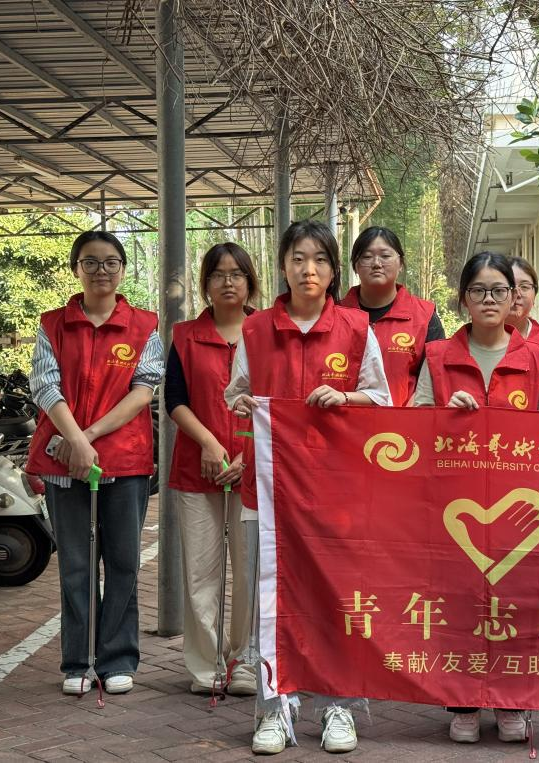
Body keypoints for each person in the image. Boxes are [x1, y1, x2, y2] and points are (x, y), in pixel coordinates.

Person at [224, 220, 391, 756]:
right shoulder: (255, 331)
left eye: (319, 259)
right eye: (298, 258)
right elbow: (235, 392)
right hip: (269, 492)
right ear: (283, 266)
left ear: (334, 270)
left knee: (336, 598)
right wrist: (243, 404)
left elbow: (382, 398)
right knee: (269, 602)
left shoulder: (356, 328)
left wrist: (345, 398)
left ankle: (339, 706)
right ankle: (274, 709)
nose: (308, 269)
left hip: (337, 491)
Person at [415, 251, 539, 745]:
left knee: (517, 602)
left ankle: (512, 701)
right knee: (460, 603)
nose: (490, 299)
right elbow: (413, 421)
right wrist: (444, 416)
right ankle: (464, 702)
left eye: (500, 290)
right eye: (479, 290)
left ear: (515, 297)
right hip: (456, 505)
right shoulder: (438, 357)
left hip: (519, 504)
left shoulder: (535, 357)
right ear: (463, 299)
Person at [27, 230, 164, 697]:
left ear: (122, 269)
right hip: (63, 463)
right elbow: (45, 386)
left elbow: (144, 390)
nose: (101, 270)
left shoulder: (145, 326)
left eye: (110, 262)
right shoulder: (52, 325)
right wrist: (73, 442)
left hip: (124, 462)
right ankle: (78, 660)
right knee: (77, 565)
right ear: (76, 269)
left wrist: (85, 439)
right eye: (90, 262)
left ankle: (118, 658)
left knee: (123, 562)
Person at [165, 242, 260, 696]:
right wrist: (207, 442)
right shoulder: (185, 336)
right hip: (196, 469)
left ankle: (244, 662)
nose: (228, 282)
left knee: (248, 571)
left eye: (236, 274)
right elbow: (175, 400)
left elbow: (275, 402)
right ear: (205, 284)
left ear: (249, 281)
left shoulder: (265, 332)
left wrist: (247, 454)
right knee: (201, 571)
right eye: (218, 274)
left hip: (254, 469)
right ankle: (207, 666)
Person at [340, 226, 444, 405]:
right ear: (355, 266)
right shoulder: (335, 314)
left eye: (385, 256)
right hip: (346, 420)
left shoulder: (425, 316)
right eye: (366, 256)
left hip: (406, 419)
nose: (376, 263)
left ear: (400, 263)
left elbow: (435, 375)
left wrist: (406, 416)